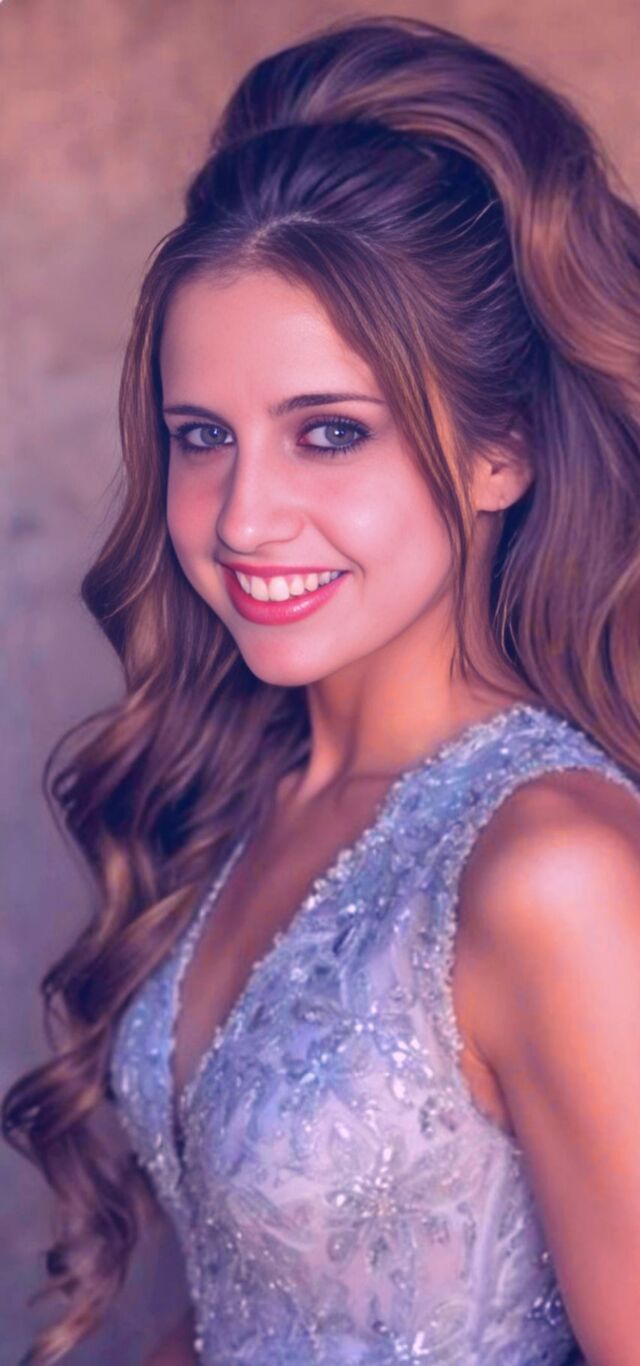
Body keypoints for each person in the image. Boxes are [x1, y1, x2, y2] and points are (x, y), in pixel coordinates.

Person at [4, 12, 640, 1365]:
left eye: (330, 433)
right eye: (201, 436)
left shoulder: (554, 870)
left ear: (503, 450)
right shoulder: (250, 794)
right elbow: (265, 1306)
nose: (243, 518)